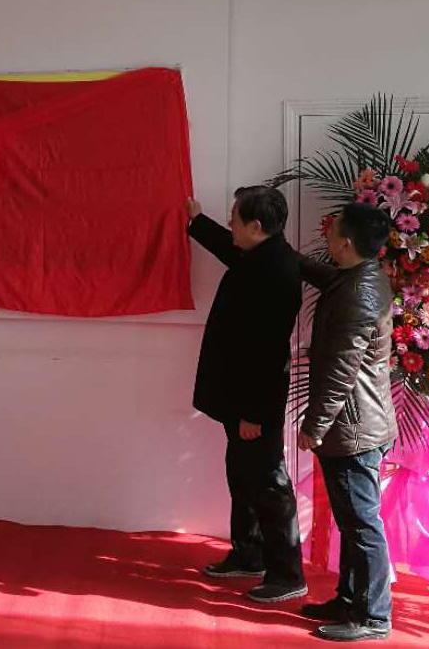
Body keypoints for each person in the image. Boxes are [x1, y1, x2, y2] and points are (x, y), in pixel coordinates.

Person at [186, 186, 307, 603]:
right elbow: (229, 247)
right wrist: (197, 221)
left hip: (255, 404)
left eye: (234, 218)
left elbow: (270, 353)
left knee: (269, 485)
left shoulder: (277, 271)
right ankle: (249, 553)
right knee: (242, 476)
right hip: (239, 399)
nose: (230, 224)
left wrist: (255, 414)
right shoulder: (259, 254)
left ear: (255, 226)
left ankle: (287, 574)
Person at [295, 202, 397, 642]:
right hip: (361, 424)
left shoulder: (358, 294)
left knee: (361, 525)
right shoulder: (361, 276)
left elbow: (341, 372)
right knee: (353, 522)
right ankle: (350, 599)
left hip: (354, 429)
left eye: (332, 231)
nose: (327, 236)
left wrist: (314, 427)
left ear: (346, 243)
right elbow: (325, 276)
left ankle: (373, 616)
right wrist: (281, 252)